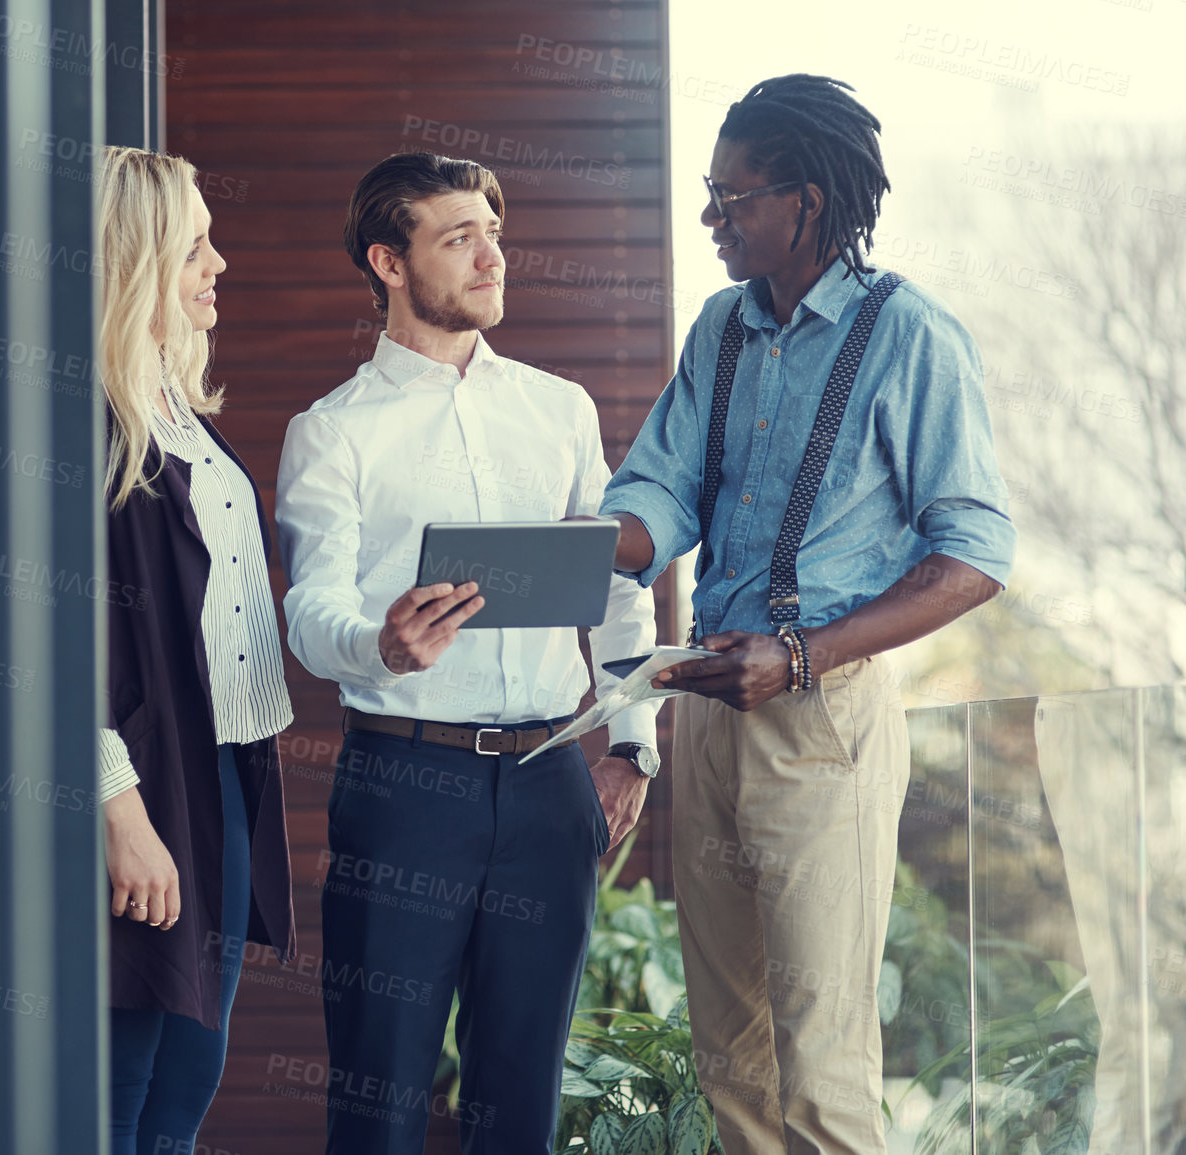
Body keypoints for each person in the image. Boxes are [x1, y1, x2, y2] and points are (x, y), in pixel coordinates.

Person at [597, 75, 1016, 1155]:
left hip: (819, 721)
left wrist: (797, 657)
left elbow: (974, 554)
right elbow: (658, 495)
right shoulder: (719, 329)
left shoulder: (909, 336)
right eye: (709, 193)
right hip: (705, 718)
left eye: (732, 198)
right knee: (729, 1063)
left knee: (821, 1074)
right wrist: (580, 547)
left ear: (806, 204)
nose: (712, 220)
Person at [274, 151, 662, 1154]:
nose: (491, 254)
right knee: (379, 1095)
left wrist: (630, 746)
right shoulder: (331, 434)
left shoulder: (558, 409)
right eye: (459, 237)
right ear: (389, 263)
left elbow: (618, 588)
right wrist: (379, 644)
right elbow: (308, 613)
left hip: (546, 788)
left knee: (519, 1095)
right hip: (403, 786)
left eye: (492, 231)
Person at [94, 146, 297, 1155]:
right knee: (121, 1081)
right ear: (132, 265)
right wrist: (119, 813)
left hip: (218, 767)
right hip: (140, 784)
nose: (218, 264)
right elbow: (56, 638)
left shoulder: (175, 413)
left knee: (186, 1078)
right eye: (192, 249)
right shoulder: (90, 426)